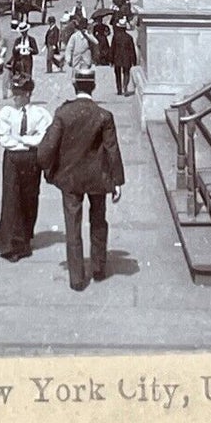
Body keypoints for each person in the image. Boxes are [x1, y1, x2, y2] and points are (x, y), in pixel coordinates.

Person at [37, 64, 125, 291]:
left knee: (72, 225)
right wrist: (117, 181)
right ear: (94, 86)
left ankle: (76, 278)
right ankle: (99, 268)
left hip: (70, 180)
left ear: (74, 85)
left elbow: (46, 150)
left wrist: (48, 170)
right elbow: (112, 149)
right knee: (98, 221)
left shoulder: (63, 114)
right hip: (98, 177)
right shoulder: (104, 116)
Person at [0, 71, 50, 262]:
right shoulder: (7, 113)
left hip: (31, 160)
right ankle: (10, 244)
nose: (15, 98)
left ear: (27, 94)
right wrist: (22, 143)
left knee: (29, 197)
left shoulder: (40, 114)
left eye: (18, 94)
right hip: (12, 158)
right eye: (14, 93)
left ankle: (25, 238)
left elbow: (43, 137)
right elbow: (3, 137)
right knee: (11, 198)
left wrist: (22, 140)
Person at [110, 16, 137, 96]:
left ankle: (119, 89)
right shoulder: (129, 37)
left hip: (117, 57)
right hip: (126, 58)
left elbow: (112, 48)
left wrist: (111, 59)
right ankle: (125, 87)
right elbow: (132, 50)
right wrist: (134, 60)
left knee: (117, 74)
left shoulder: (115, 37)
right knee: (126, 73)